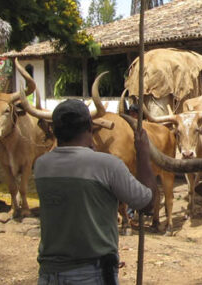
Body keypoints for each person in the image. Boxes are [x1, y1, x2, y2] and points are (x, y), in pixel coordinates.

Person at [35, 99, 157, 285]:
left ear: (54, 131)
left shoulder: (42, 165)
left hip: (49, 274)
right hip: (92, 273)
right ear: (89, 128)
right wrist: (143, 154)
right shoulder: (107, 164)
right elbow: (147, 204)